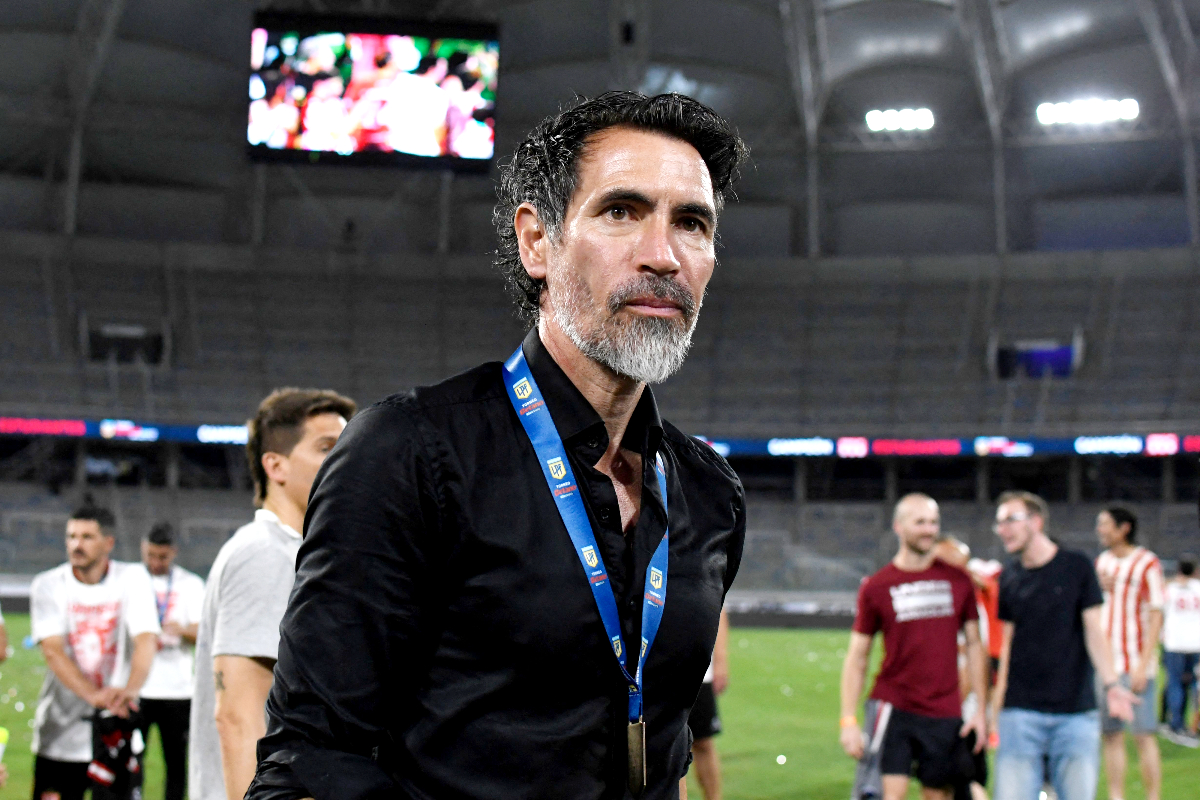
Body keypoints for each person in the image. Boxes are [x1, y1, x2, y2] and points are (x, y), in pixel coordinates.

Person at [245, 91, 748, 800]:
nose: (663, 255)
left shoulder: (711, 494)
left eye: (691, 223)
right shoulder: (409, 453)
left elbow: (661, 750)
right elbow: (310, 764)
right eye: (621, 212)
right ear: (537, 242)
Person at [188, 388, 356, 800]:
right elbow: (239, 719)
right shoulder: (265, 553)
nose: (347, 459)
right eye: (327, 448)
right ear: (275, 465)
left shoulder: (297, 554)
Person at [991, 491, 1135, 800]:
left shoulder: (1077, 566)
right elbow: (1007, 643)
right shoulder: (1009, 577)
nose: (1003, 529)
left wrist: (1111, 684)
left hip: (1075, 713)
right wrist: (997, 703)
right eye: (999, 523)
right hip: (1020, 713)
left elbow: (1094, 630)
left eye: (1010, 520)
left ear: (1036, 522)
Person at [841, 495, 987, 800]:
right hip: (894, 706)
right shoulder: (877, 586)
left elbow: (975, 645)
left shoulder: (958, 580)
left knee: (937, 794)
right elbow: (857, 657)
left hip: (945, 708)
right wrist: (848, 720)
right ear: (899, 526)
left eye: (933, 522)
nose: (929, 529)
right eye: (920, 522)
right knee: (888, 795)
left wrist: (981, 711)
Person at [30, 503, 160, 800]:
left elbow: (146, 640)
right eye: (72, 536)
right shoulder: (47, 585)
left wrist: (129, 691)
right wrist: (96, 697)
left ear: (108, 543)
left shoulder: (133, 578)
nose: (77, 544)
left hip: (118, 732)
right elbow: (53, 652)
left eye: (87, 537)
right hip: (60, 734)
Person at [1094, 507, 1165, 800]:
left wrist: (1144, 665)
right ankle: (1116, 796)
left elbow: (1157, 615)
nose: (1099, 530)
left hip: (1135, 663)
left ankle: (1153, 797)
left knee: (1143, 735)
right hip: (1107, 666)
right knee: (1111, 735)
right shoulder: (1102, 563)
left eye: (1105, 524)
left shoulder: (1147, 563)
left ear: (1124, 528)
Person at [133, 521, 206, 800]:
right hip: (137, 688)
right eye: (150, 555)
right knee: (132, 762)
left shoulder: (191, 584)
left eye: (162, 557)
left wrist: (182, 630)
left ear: (173, 552)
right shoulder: (132, 581)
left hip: (178, 690)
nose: (155, 562)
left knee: (176, 765)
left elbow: (205, 633)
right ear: (143, 549)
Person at [689, 608, 729, 800]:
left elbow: (719, 609)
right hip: (656, 669)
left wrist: (720, 660)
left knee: (703, 741)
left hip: (699, 670)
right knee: (664, 745)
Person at [1161, 556, 1200, 747]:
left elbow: (1159, 611)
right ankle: (1195, 724)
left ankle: (1177, 724)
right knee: (1195, 686)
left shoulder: (1170, 590)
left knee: (1175, 683)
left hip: (1175, 643)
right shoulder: (1198, 588)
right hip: (1196, 643)